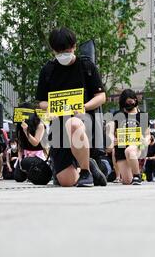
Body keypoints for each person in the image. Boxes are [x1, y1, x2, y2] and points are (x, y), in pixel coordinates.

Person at [36, 27, 107, 187]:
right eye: (59, 51)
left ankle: (85, 171)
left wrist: (84, 107)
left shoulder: (86, 66)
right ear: (53, 50)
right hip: (59, 127)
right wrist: (50, 108)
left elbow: (101, 96)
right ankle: (89, 166)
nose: (63, 54)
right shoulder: (48, 70)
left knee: (73, 123)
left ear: (74, 46)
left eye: (66, 50)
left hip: (84, 122)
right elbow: (41, 102)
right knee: (67, 182)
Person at [107, 89, 150, 185]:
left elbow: (148, 135)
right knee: (127, 181)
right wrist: (111, 140)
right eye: (125, 103)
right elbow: (110, 131)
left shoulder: (142, 115)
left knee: (129, 151)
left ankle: (137, 175)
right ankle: (132, 174)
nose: (128, 104)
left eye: (130, 102)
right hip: (120, 147)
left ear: (135, 100)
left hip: (138, 145)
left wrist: (144, 142)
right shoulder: (117, 114)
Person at [13, 102, 47, 183]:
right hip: (25, 154)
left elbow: (35, 143)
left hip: (37, 154)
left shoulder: (40, 125)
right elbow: (20, 146)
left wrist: (26, 131)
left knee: (34, 175)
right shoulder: (19, 125)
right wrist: (20, 160)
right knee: (18, 177)